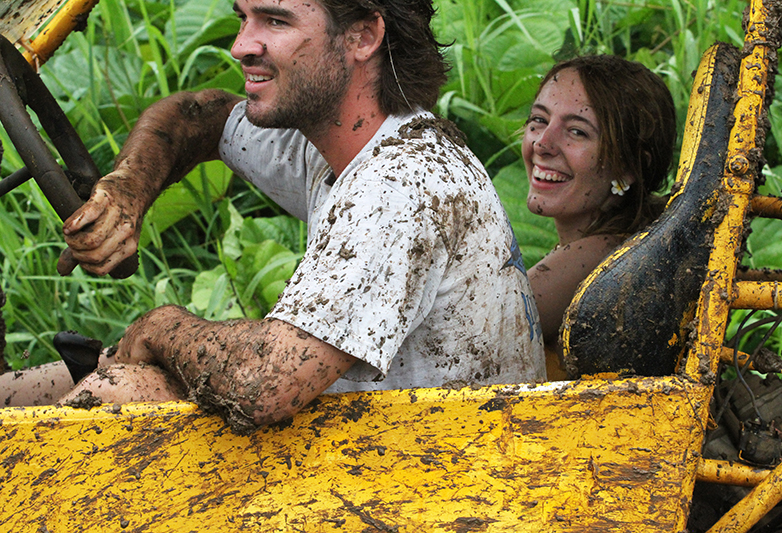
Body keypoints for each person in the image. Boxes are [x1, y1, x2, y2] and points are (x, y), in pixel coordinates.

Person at [0, 0, 545, 431]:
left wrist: (159, 326)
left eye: (275, 21)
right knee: (46, 385)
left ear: (362, 36)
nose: (241, 45)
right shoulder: (344, 140)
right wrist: (127, 187)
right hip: (376, 438)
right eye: (243, 18)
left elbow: (264, 384)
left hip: (437, 479)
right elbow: (203, 117)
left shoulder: (402, 184)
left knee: (114, 395)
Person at [522, 55, 676, 379]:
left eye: (577, 131)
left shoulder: (601, 255)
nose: (543, 143)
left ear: (629, 166)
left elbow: (472, 330)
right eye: (538, 120)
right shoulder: (637, 238)